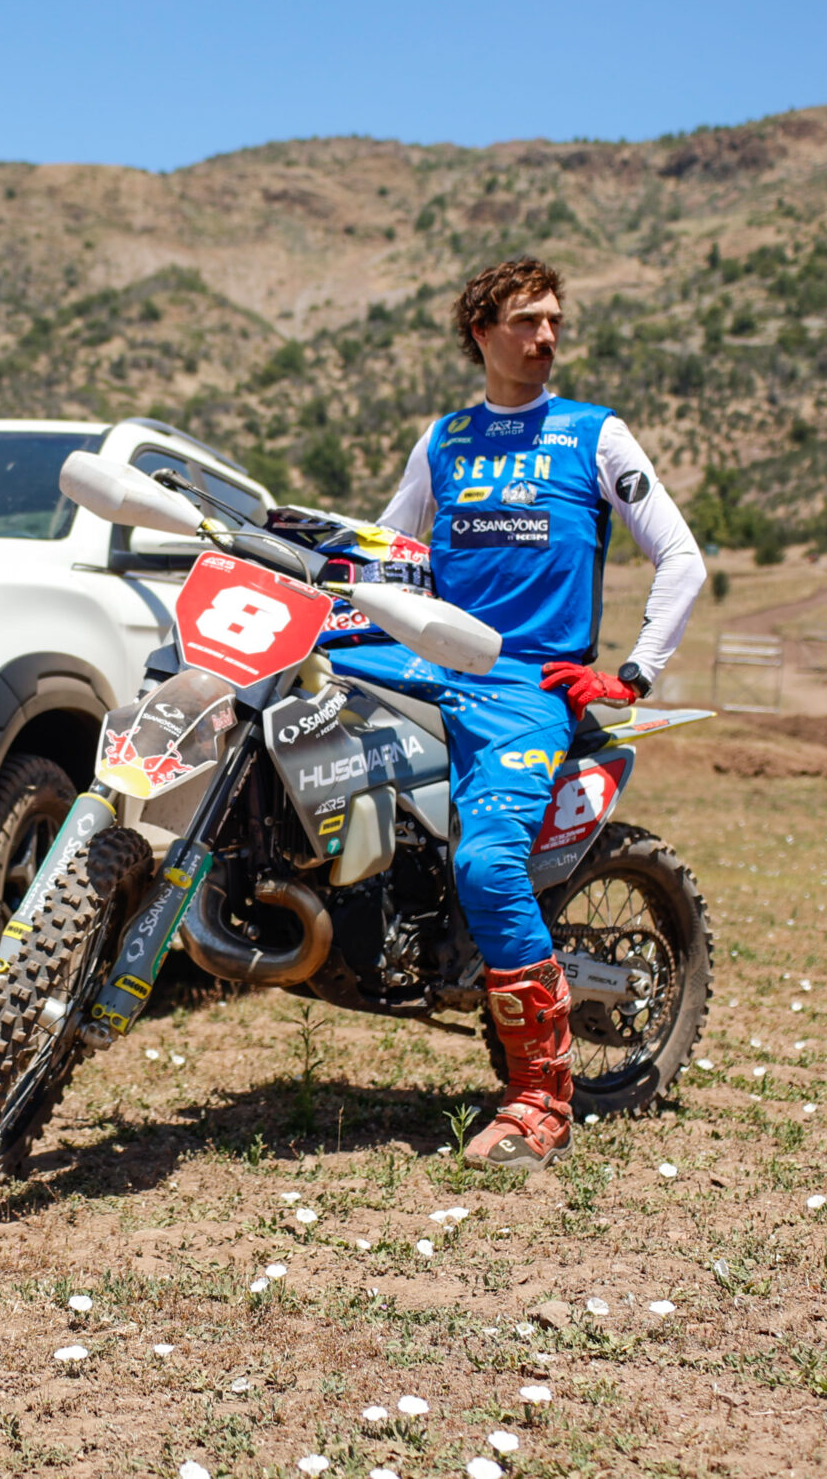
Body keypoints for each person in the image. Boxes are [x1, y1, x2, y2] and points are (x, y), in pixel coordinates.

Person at [326, 257, 704, 1167]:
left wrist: (635, 673)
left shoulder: (594, 436)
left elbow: (681, 558)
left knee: (491, 867)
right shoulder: (443, 440)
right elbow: (380, 557)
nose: (544, 336)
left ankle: (540, 1096)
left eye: (554, 322)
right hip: (422, 663)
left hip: (524, 686)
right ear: (480, 330)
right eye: (525, 320)